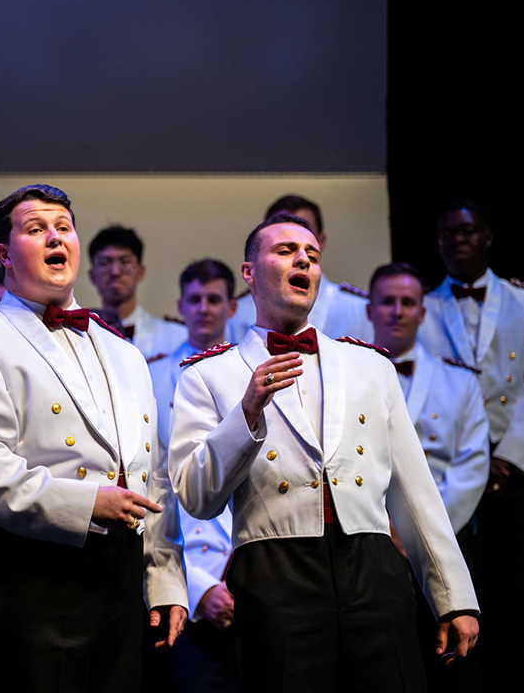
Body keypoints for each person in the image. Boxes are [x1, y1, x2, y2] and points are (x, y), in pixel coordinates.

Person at [169, 215, 479, 691]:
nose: (303, 261)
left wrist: (452, 596)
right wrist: (247, 410)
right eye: (287, 251)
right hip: (276, 573)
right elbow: (195, 495)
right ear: (249, 273)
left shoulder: (370, 366)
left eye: (312, 256)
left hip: (372, 564)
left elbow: (415, 493)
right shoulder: (208, 375)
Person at [0, 184, 188, 691]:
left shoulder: (124, 352)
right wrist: (84, 503)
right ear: (4, 255)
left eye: (64, 227)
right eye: (36, 229)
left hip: (120, 575)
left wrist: (164, 578)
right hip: (30, 572)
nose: (56, 237)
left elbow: (153, 476)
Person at [416, 200, 524, 689]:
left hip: (511, 470)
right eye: (447, 234)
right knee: (459, 595)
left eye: (468, 230)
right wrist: (471, 464)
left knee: (520, 592)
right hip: (451, 471)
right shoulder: (425, 307)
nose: (458, 240)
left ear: (488, 237)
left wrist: (507, 459)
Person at [367, 261, 489, 691]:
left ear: (422, 312)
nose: (397, 311)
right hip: (375, 543)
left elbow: (472, 466)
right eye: (387, 301)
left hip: (448, 537)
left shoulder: (460, 382)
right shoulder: (353, 377)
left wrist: (421, 532)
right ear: (369, 310)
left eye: (408, 302)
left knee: (455, 667)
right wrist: (389, 528)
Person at [148, 259, 240, 693]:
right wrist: (200, 582)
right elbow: (153, 485)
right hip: (183, 564)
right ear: (181, 306)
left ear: (232, 308)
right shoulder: (148, 377)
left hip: (247, 564)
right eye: (195, 299)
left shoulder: (256, 375)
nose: (204, 308)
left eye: (215, 299)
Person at [227, 194, 373, 343]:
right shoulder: (235, 314)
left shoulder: (360, 310)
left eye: (305, 230)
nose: (302, 259)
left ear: (320, 241)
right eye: (285, 249)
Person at [87, 225, 186, 362]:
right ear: (92, 275)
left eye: (125, 262)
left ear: (140, 272)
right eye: (105, 263)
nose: (115, 271)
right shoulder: (80, 336)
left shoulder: (176, 336)